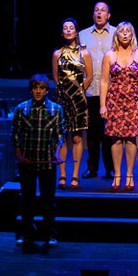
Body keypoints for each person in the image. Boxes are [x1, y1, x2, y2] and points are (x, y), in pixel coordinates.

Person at [12, 74, 65, 250]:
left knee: (48, 200)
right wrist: (19, 155)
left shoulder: (56, 109)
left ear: (47, 90)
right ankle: (26, 233)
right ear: (31, 89)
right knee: (27, 199)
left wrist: (56, 153)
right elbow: (15, 134)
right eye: (35, 88)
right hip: (28, 160)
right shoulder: (22, 109)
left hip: (47, 161)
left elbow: (60, 134)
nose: (38, 91)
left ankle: (49, 234)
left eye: (41, 88)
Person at [100, 21, 138, 191]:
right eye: (121, 31)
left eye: (127, 31)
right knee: (115, 139)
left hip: (134, 102)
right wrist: (102, 105)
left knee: (130, 139)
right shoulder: (109, 55)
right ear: (117, 35)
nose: (124, 34)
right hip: (114, 102)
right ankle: (117, 175)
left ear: (132, 35)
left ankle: (129, 175)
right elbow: (104, 81)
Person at [52, 17, 93, 189]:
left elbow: (89, 76)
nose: (68, 30)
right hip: (62, 99)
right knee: (61, 137)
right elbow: (55, 78)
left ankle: (75, 174)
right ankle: (62, 175)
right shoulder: (57, 54)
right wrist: (65, 93)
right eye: (65, 28)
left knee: (77, 137)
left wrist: (79, 92)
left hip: (79, 100)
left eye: (71, 28)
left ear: (76, 32)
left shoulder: (85, 53)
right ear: (62, 33)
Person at [79, 1, 115, 180]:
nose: (99, 13)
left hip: (112, 91)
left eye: (103, 10)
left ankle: (110, 168)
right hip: (91, 90)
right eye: (96, 10)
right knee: (92, 132)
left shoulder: (117, 33)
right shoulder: (83, 34)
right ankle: (92, 168)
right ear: (93, 14)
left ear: (108, 15)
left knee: (109, 131)